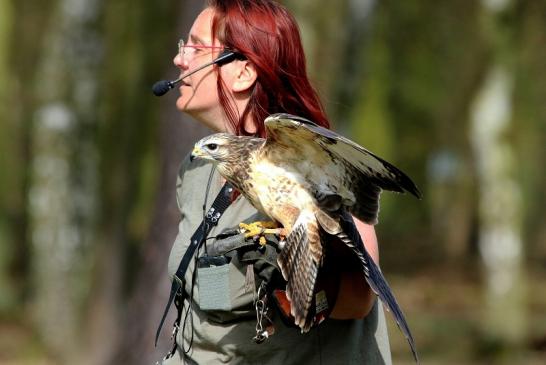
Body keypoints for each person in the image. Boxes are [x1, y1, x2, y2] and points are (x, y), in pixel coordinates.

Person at [161, 0, 392, 364]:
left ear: (243, 71)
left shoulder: (311, 157)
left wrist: (308, 281)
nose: (180, 59)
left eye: (194, 46)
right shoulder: (197, 171)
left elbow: (359, 298)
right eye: (182, 46)